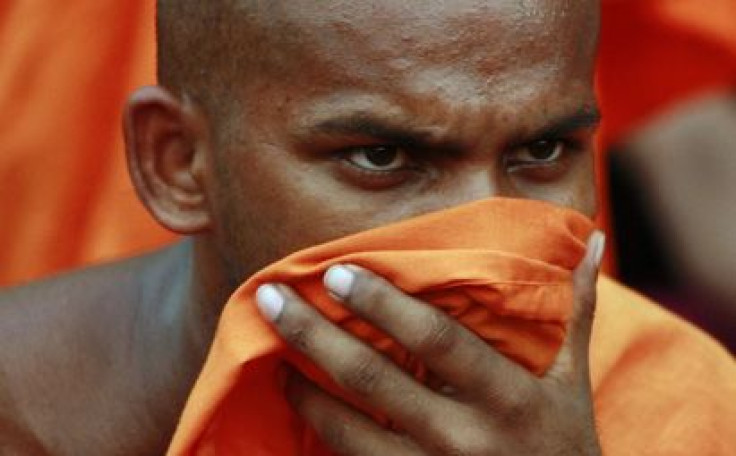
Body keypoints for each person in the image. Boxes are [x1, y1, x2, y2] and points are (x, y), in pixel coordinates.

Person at [0, 1, 733, 455]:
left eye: (541, 152)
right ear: (177, 162)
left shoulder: (678, 403)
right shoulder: (24, 411)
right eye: (382, 157)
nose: (484, 245)